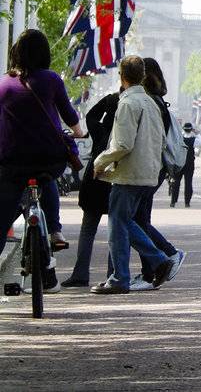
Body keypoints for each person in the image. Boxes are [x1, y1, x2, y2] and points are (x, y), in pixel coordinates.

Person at [91, 56, 180, 294]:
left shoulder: (128, 104)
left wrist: (100, 162)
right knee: (125, 222)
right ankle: (133, 270)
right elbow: (160, 140)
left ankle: (136, 270)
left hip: (128, 174)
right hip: (148, 173)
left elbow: (122, 144)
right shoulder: (152, 103)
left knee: (118, 223)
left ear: (122, 76)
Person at [0, 29, 84, 262]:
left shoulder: (4, 83)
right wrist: (78, 132)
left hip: (12, 160)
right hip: (49, 158)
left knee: (5, 206)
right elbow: (68, 113)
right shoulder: (51, 79)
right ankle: (55, 230)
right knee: (47, 179)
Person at [63, 86, 120, 287]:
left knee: (88, 230)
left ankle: (80, 273)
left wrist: (108, 99)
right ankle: (113, 273)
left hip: (95, 182)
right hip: (116, 181)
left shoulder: (100, 130)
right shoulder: (122, 131)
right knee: (116, 230)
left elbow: (91, 115)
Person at [134, 58, 182, 282]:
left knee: (134, 219)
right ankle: (150, 270)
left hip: (150, 167)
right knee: (141, 218)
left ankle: (168, 254)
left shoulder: (150, 102)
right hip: (155, 168)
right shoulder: (158, 101)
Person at [168, 123, 196, 207]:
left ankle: (173, 201)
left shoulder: (179, 138)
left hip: (179, 163)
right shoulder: (194, 139)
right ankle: (187, 202)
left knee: (176, 183)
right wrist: (195, 133)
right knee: (188, 183)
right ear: (191, 129)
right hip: (189, 164)